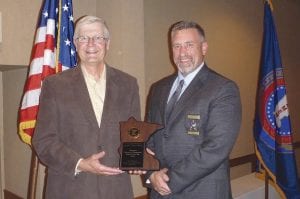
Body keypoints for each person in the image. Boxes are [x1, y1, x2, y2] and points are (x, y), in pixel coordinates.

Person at [32, 15, 141, 199]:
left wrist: (137, 155)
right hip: (69, 189)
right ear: (75, 43)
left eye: (98, 38)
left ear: (108, 43)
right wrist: (80, 163)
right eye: (83, 38)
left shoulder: (128, 84)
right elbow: (43, 141)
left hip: (115, 190)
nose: (91, 44)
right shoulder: (55, 85)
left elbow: (134, 132)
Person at [145, 21, 242, 199]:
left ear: (204, 48)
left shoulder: (223, 88)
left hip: (203, 192)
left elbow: (216, 148)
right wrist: (150, 174)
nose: (182, 53)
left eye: (189, 45)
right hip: (159, 192)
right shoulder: (158, 88)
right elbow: (149, 138)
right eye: (177, 46)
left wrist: (168, 180)